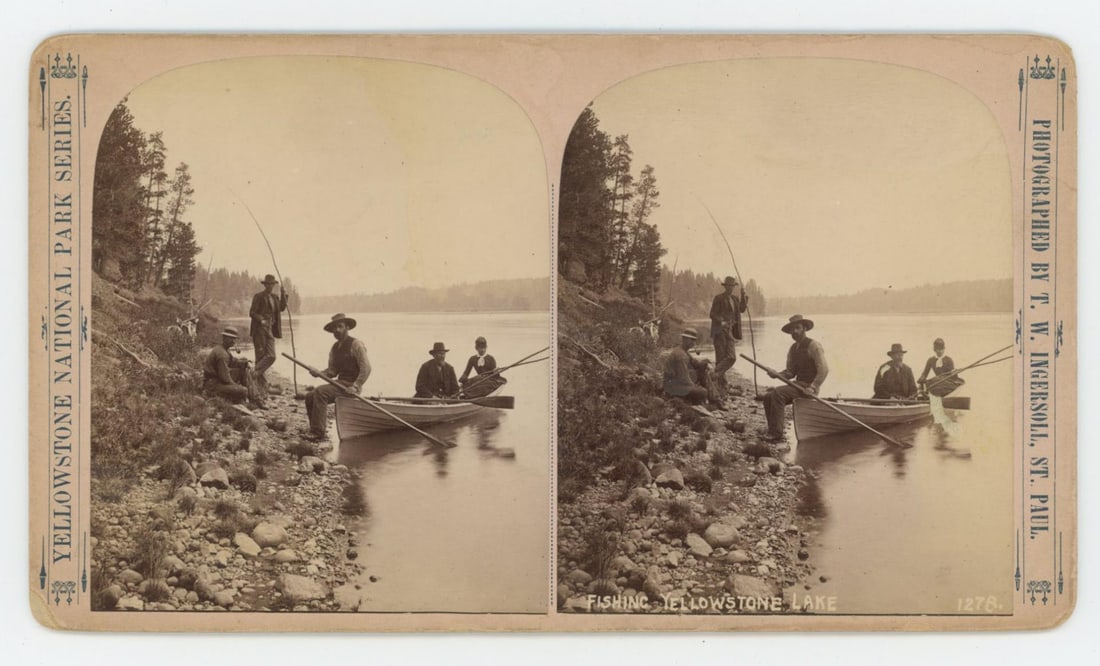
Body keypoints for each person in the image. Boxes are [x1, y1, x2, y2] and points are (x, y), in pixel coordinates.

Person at [303, 313, 371, 440]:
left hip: (350, 387)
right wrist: (319, 373)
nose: (337, 330)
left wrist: (355, 386)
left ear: (347, 328)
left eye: (340, 327)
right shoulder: (335, 348)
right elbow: (332, 371)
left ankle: (318, 433)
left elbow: (366, 368)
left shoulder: (356, 345)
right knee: (310, 396)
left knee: (320, 392)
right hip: (339, 384)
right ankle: (314, 428)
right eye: (334, 328)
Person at [762, 314, 829, 440]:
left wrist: (813, 387)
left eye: (797, 328)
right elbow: (790, 372)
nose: (795, 332)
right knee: (768, 397)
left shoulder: (814, 346)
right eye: (792, 330)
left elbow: (824, 370)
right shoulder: (793, 349)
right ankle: (772, 430)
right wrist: (776, 374)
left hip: (808, 389)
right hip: (797, 386)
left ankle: (776, 434)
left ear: (804, 329)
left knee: (778, 393)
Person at [203, 326, 262, 406]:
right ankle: (250, 398)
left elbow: (232, 361)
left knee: (243, 370)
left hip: (218, 380)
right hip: (213, 385)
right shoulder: (221, 354)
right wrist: (236, 386)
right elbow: (225, 378)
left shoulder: (223, 349)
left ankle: (256, 398)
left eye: (234, 338)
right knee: (243, 390)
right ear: (225, 338)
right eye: (231, 338)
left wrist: (243, 363)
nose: (234, 341)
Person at [249, 274, 289, 385]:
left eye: (272, 284)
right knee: (260, 356)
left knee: (271, 356)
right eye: (268, 284)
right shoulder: (258, 296)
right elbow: (252, 312)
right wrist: (261, 320)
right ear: (265, 285)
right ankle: (261, 384)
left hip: (270, 329)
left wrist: (283, 295)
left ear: (274, 285)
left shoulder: (275, 297)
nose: (270, 286)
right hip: (259, 330)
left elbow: (281, 308)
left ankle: (253, 373)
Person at [662, 328, 718, 406]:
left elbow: (695, 363)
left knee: (703, 372)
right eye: (691, 340)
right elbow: (683, 378)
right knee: (703, 392)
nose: (693, 343)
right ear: (684, 339)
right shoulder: (680, 355)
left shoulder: (683, 351)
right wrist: (695, 387)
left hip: (677, 381)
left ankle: (715, 399)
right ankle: (707, 401)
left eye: (694, 340)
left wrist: (704, 363)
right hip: (673, 386)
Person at [709, 276, 748, 384]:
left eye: (732, 286)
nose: (730, 288)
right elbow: (712, 314)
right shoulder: (719, 298)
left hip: (730, 331)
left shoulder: (735, 298)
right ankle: (720, 383)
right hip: (719, 331)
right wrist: (721, 321)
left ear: (734, 287)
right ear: (725, 286)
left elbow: (742, 309)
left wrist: (744, 297)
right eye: (728, 286)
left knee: (731, 357)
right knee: (720, 358)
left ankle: (714, 373)